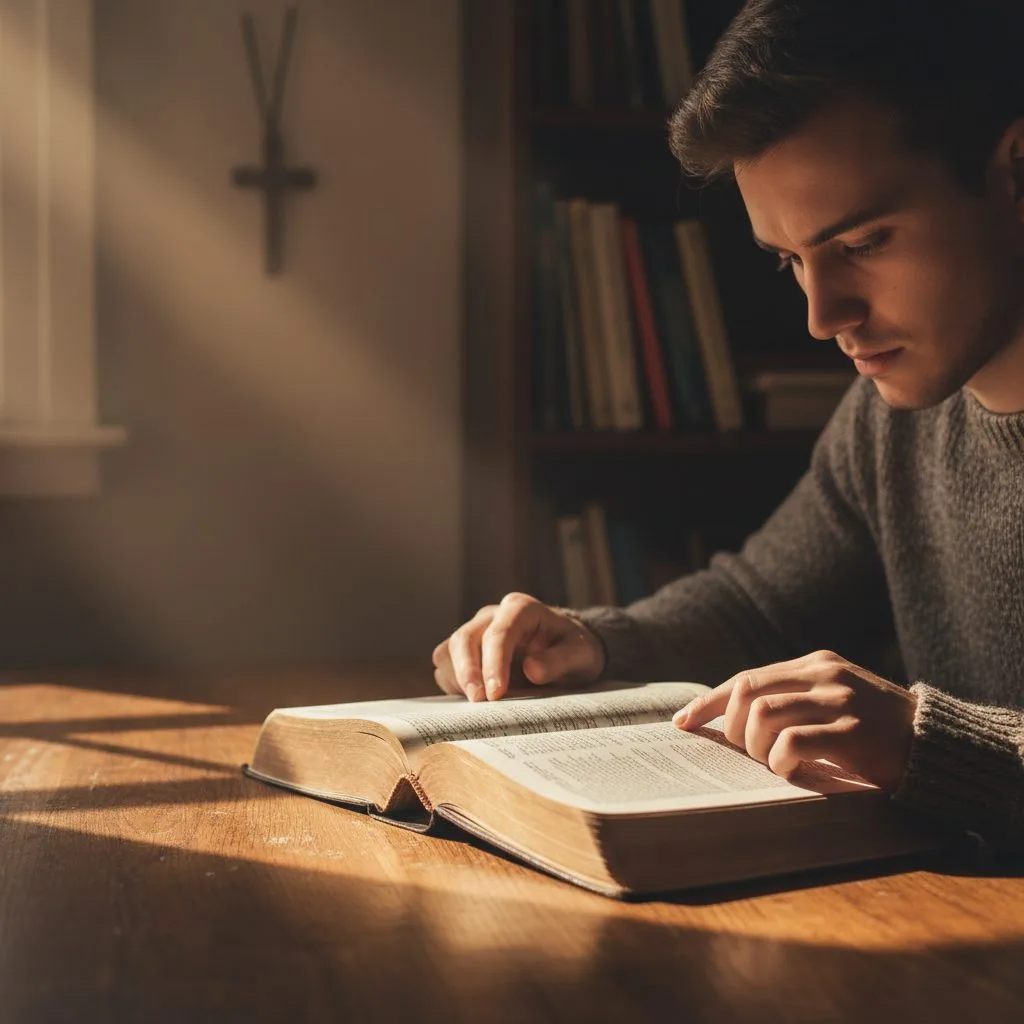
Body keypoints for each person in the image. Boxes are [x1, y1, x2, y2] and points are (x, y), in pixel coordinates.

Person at [433, 0, 1024, 848]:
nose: (823, 315)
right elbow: (758, 607)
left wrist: (931, 745)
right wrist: (590, 644)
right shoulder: (888, 424)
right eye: (791, 261)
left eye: (862, 242)